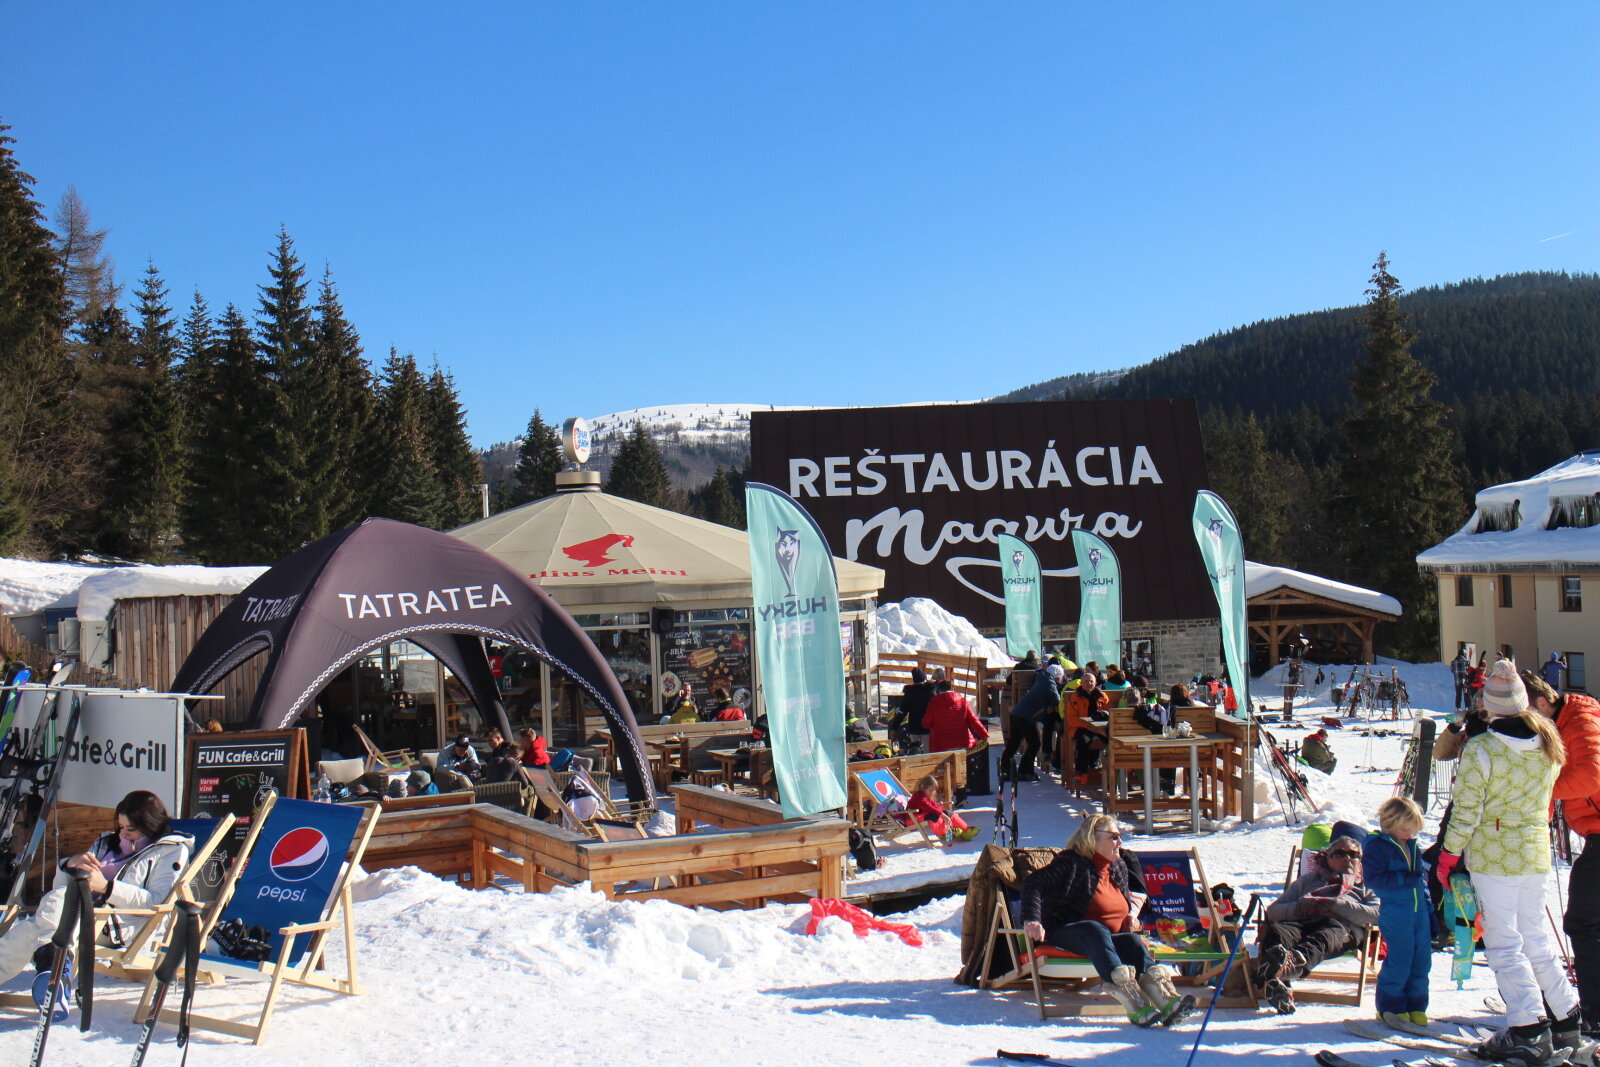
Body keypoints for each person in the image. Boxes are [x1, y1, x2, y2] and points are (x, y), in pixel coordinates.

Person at [1437, 660, 1579, 1065]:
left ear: (1490, 705)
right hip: (1534, 852)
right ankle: (1566, 1018)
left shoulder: (1483, 748)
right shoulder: (1547, 739)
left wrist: (1448, 854)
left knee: (1504, 944)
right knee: (1535, 938)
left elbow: (1466, 810)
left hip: (1495, 856)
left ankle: (1527, 1027)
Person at [0, 791, 193, 992]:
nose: (123, 834)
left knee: (36, 927)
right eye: (120, 827)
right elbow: (62, 888)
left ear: (150, 825)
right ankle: (54, 972)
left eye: (130, 829)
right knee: (36, 924)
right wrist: (70, 864)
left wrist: (107, 888)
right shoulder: (106, 842)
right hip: (84, 913)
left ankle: (53, 969)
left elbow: (158, 901)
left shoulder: (171, 851)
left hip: (122, 925)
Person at [1020, 814, 1194, 1027]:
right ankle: (1135, 1005)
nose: (1120, 842)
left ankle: (1166, 1001)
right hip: (1066, 933)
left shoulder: (1118, 866)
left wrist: (1131, 917)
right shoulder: (1071, 863)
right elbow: (1033, 883)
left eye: (1119, 836)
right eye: (1113, 837)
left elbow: (1125, 901)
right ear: (1091, 838)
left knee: (1132, 941)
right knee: (1094, 929)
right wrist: (1032, 920)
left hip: (1106, 939)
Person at [1522, 668, 1600, 1042]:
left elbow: (1590, 777)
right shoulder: (1569, 720)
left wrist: (1542, 789)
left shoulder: (1581, 721)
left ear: (1542, 704)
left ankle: (1595, 1013)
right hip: (1594, 833)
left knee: (1583, 922)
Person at [1254, 833, 1379, 1014]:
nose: (1347, 858)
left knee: (1324, 936)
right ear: (1328, 858)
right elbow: (1273, 911)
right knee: (1277, 931)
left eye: (1354, 855)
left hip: (1342, 926)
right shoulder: (1309, 881)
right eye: (1340, 853)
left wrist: (1336, 905)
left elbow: (1378, 915)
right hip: (1303, 921)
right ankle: (1281, 985)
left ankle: (1286, 968)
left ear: (1360, 862)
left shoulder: (1367, 886)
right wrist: (1302, 907)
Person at [1364, 797, 1432, 1026]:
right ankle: (1390, 1006)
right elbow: (1374, 880)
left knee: (1421, 961)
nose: (1409, 834)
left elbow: (1420, 882)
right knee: (1400, 959)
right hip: (1396, 913)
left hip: (1419, 914)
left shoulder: (1412, 847)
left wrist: (1430, 910)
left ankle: (1416, 1006)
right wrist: (1403, 879)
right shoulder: (1378, 847)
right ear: (1389, 823)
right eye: (1405, 829)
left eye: (1413, 830)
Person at [999, 663, 1062, 781]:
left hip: (1017, 713)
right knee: (1034, 744)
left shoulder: (1041, 678)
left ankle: (1005, 770)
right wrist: (1051, 706)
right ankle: (1025, 771)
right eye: (1060, 678)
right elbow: (1057, 701)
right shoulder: (1049, 684)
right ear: (1057, 677)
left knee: (1014, 743)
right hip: (1025, 717)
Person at [1064, 672, 1111, 782]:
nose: (1089, 684)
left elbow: (1109, 713)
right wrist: (1088, 725)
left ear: (1095, 683)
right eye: (1086, 682)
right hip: (1081, 727)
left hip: (1100, 728)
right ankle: (1081, 772)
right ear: (1081, 683)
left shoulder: (1102, 696)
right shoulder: (1075, 697)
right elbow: (1072, 719)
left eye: (1091, 681)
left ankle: (1111, 772)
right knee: (1083, 740)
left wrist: (1103, 716)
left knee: (1112, 738)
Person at [903, 775, 978, 842]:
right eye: (930, 790)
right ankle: (943, 833)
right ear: (922, 787)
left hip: (920, 816)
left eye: (933, 790)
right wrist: (942, 815)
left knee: (949, 813)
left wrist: (945, 813)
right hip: (912, 819)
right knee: (933, 816)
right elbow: (929, 807)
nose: (932, 793)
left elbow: (934, 806)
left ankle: (965, 829)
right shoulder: (918, 796)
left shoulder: (927, 796)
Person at [923, 677, 987, 754]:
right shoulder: (963, 702)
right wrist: (984, 734)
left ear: (939, 690)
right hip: (963, 743)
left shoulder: (934, 704)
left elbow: (926, 724)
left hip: (941, 745)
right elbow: (974, 720)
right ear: (952, 689)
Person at [901, 668, 936, 754]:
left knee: (915, 752)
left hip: (914, 727)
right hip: (927, 728)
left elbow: (903, 711)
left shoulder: (909, 692)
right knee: (927, 752)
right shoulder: (930, 692)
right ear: (924, 679)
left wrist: (894, 727)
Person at [1452, 647, 1472, 712]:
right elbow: (1468, 670)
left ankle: (1458, 708)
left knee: (1458, 694)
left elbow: (1452, 670)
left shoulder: (1453, 662)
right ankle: (1467, 707)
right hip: (1465, 681)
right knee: (1466, 694)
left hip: (1457, 681)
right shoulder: (1466, 662)